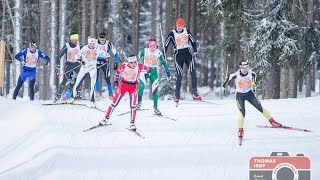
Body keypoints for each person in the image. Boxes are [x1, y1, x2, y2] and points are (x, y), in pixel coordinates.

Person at [222, 61, 282, 138]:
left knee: (260, 108)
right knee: (242, 112)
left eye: (247, 67)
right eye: (243, 68)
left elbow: (254, 83)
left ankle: (272, 122)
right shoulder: (236, 74)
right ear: (240, 68)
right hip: (240, 95)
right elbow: (227, 79)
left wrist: (253, 88)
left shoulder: (252, 74)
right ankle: (240, 130)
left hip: (249, 94)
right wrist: (224, 86)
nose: (245, 69)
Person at [99, 54, 150, 131]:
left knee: (133, 106)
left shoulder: (139, 66)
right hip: (123, 85)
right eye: (131, 62)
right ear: (128, 62)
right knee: (114, 103)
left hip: (133, 87)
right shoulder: (123, 66)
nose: (133, 64)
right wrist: (116, 81)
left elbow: (147, 68)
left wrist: (149, 70)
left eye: (135, 62)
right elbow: (117, 73)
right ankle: (106, 118)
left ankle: (132, 123)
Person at [164, 17, 201, 103]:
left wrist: (195, 52)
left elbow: (193, 42)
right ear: (176, 25)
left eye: (181, 25)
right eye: (178, 25)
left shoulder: (186, 32)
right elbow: (166, 44)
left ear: (183, 25)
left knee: (193, 72)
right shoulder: (172, 33)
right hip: (178, 55)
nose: (180, 27)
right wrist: (164, 53)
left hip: (188, 54)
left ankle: (195, 93)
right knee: (179, 75)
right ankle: (177, 95)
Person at [68, 36, 107, 107]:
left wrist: (106, 60)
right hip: (84, 68)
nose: (92, 45)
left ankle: (92, 100)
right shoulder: (84, 49)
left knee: (92, 85)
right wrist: (81, 61)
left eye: (93, 43)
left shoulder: (98, 49)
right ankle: (72, 97)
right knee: (77, 82)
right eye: (90, 43)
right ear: (88, 43)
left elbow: (106, 55)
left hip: (93, 69)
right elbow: (77, 56)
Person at [137, 39, 171, 115]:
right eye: (151, 46)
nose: (152, 48)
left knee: (155, 90)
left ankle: (155, 108)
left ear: (156, 46)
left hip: (153, 72)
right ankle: (139, 104)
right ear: (148, 46)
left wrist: (168, 72)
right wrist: (137, 59)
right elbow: (138, 56)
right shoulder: (144, 51)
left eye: (154, 46)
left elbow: (164, 63)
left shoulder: (158, 52)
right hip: (145, 71)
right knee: (141, 87)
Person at [55, 32, 84, 102]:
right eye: (74, 39)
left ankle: (77, 94)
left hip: (77, 64)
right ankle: (58, 95)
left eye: (77, 38)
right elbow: (59, 56)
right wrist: (57, 66)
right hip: (69, 65)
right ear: (71, 39)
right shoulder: (67, 46)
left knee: (80, 78)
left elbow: (87, 52)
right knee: (66, 80)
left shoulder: (80, 45)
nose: (76, 40)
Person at [95, 31, 119, 99]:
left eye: (103, 39)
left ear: (105, 38)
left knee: (107, 78)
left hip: (105, 62)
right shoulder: (95, 43)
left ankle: (111, 94)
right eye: (100, 39)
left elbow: (115, 54)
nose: (102, 41)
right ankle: (96, 92)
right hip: (96, 62)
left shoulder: (109, 44)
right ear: (98, 38)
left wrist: (116, 62)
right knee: (95, 77)